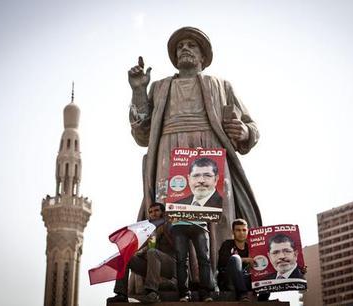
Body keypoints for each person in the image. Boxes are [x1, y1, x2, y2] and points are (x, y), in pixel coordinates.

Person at [128, 26, 262, 284]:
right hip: (170, 154)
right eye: (180, 46)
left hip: (210, 154)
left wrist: (243, 131)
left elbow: (251, 127)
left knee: (220, 212)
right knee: (170, 215)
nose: (185, 49)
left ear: (203, 55)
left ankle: (221, 277)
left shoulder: (221, 85)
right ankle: (175, 279)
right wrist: (138, 91)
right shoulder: (159, 87)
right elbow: (142, 135)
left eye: (191, 45)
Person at [106, 203, 176, 303]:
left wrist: (164, 231)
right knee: (125, 257)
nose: (153, 214)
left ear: (163, 213)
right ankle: (121, 293)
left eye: (156, 211)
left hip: (169, 265)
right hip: (151, 263)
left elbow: (177, 246)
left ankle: (152, 293)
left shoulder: (169, 225)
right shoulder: (149, 228)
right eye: (151, 212)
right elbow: (142, 248)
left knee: (152, 252)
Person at [217, 219, 270, 302]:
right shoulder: (227, 244)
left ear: (247, 231)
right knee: (235, 258)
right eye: (238, 230)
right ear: (233, 231)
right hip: (229, 280)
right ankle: (242, 294)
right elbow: (222, 262)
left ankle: (263, 299)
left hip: (244, 279)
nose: (241, 233)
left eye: (244, 230)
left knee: (264, 266)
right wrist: (245, 260)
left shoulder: (251, 247)